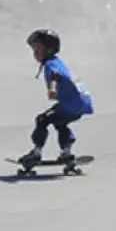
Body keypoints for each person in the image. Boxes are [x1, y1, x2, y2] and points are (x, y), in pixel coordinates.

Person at [17, 29, 95, 171]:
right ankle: (66, 152)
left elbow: (55, 76)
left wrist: (52, 89)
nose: (35, 52)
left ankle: (36, 152)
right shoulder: (58, 62)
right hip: (82, 102)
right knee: (59, 123)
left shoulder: (51, 64)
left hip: (71, 103)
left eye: (37, 48)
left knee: (42, 120)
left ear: (49, 48)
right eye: (33, 48)